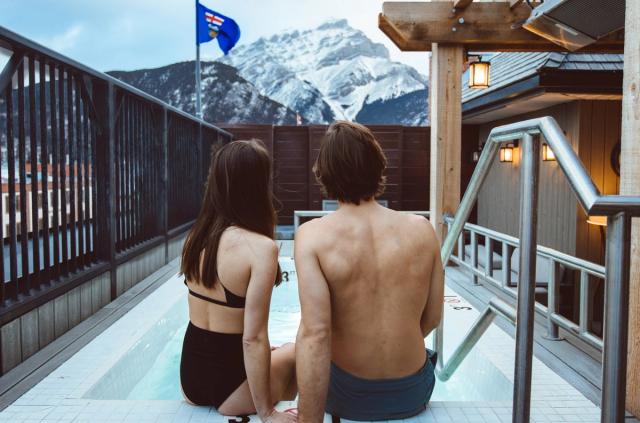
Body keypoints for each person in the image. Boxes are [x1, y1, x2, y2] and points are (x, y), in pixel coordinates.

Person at [295, 121, 444, 422]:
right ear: (378, 165)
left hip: (347, 396)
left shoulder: (312, 235)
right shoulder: (423, 229)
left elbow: (316, 335)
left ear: (324, 172)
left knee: (291, 350)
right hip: (413, 390)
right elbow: (431, 318)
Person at [180, 139, 297, 422]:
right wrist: (267, 414)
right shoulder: (260, 249)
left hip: (191, 378)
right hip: (232, 388)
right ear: (258, 186)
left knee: (275, 350)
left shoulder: (194, 238)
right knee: (299, 351)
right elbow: (253, 338)